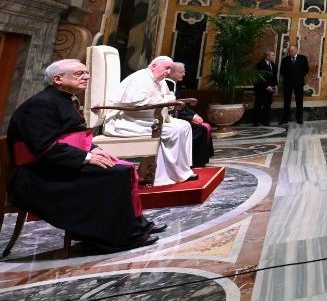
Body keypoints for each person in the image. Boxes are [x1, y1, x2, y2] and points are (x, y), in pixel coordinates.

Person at [6, 60, 163, 252]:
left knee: (120, 168)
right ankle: (117, 237)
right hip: (37, 176)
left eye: (87, 73)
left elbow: (78, 134)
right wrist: (86, 158)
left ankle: (132, 227)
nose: (86, 77)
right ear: (58, 79)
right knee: (116, 174)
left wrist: (93, 149)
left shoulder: (64, 98)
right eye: (79, 73)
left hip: (58, 164)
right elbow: (44, 147)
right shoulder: (40, 105)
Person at [104, 56, 196, 186]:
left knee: (185, 125)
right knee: (174, 130)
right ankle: (162, 176)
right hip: (128, 119)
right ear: (153, 66)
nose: (169, 72)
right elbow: (137, 103)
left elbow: (169, 96)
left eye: (170, 69)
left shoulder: (160, 79)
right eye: (167, 68)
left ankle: (181, 171)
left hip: (148, 118)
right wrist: (164, 101)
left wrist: (167, 100)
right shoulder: (139, 79)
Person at [164, 62, 214, 168]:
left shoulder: (172, 84)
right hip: (171, 118)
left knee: (203, 127)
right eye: (181, 72)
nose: (184, 74)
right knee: (201, 129)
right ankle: (195, 161)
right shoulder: (169, 85)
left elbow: (179, 104)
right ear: (171, 73)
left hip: (177, 115)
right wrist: (191, 116)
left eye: (184, 71)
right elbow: (174, 105)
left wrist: (193, 115)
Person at [280, 45, 309, 124]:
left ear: (296, 50)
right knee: (286, 101)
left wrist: (298, 76)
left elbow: (306, 70)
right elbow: (282, 71)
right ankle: (285, 118)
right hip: (287, 83)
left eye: (291, 51)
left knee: (299, 101)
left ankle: (299, 118)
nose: (290, 53)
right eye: (289, 51)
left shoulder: (303, 58)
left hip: (299, 83)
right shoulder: (285, 59)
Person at [253, 51, 278, 126]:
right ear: (267, 56)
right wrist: (266, 87)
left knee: (267, 105)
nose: (274, 57)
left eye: (274, 55)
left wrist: (275, 85)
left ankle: (265, 121)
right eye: (272, 55)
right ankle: (256, 122)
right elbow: (259, 78)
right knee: (259, 104)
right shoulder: (260, 64)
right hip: (261, 89)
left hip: (271, 89)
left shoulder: (273, 65)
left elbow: (274, 77)